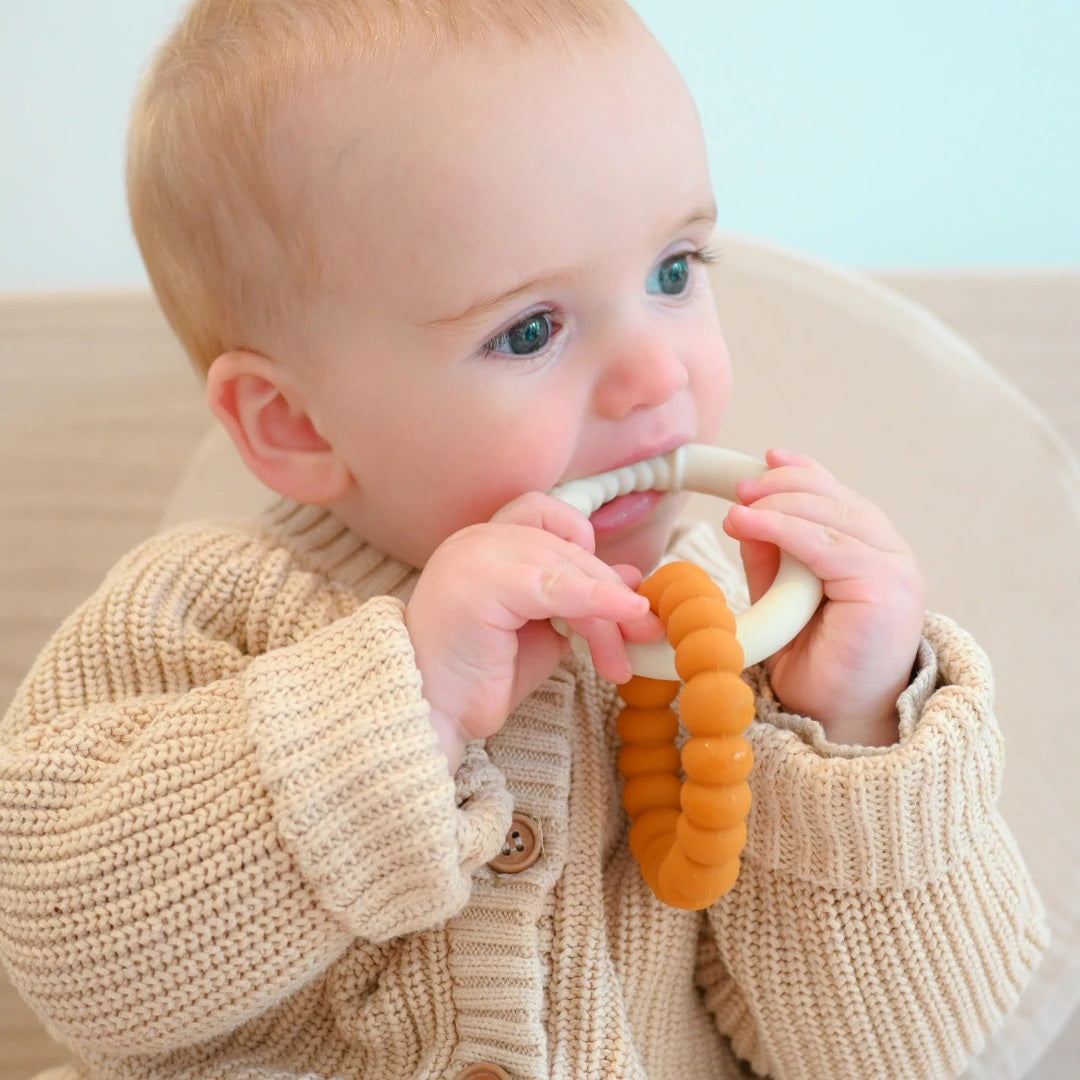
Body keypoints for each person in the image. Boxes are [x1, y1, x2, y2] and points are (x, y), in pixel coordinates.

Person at [0, 1, 1047, 1078]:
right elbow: (64, 952)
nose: (659, 373)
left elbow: (905, 1053)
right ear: (298, 425)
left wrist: (860, 728)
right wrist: (402, 710)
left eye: (676, 271)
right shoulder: (204, 608)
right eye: (530, 330)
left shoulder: (737, 649)